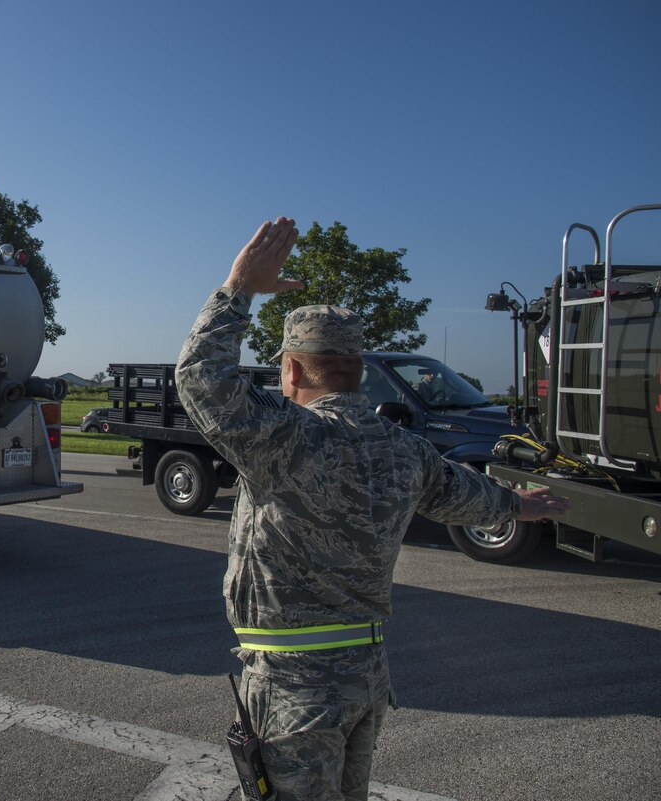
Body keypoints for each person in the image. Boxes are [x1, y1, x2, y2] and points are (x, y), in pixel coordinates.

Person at [174, 218, 569, 801]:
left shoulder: (286, 437)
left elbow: (200, 378)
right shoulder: (404, 449)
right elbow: (464, 495)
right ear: (358, 372)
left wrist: (239, 288)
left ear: (290, 369)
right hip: (365, 675)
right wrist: (518, 504)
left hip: (295, 685)